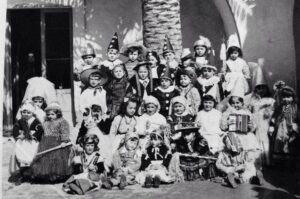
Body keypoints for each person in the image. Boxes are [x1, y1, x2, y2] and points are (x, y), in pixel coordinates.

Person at [30, 102, 72, 183]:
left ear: (58, 114)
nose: (50, 116)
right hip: (46, 142)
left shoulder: (62, 121)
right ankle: (47, 175)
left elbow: (65, 131)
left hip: (57, 142)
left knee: (57, 159)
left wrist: (64, 140)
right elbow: (42, 131)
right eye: (48, 114)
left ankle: (57, 175)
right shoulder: (46, 122)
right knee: (45, 159)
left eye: (52, 114)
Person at [245, 65, 274, 167]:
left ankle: (267, 161)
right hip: (255, 123)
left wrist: (272, 125)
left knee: (265, 141)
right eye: (258, 88)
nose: (261, 90)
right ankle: (258, 162)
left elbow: (272, 113)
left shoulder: (270, 100)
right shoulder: (252, 100)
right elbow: (249, 110)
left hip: (265, 123)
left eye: (263, 88)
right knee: (256, 141)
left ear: (266, 89)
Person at [12, 101, 44, 185]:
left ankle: (33, 175)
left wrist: (35, 136)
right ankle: (23, 175)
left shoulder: (36, 121)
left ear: (32, 113)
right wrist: (18, 135)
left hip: (32, 142)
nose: (26, 114)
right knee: (23, 158)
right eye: (24, 112)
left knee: (32, 157)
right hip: (23, 143)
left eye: (28, 112)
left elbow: (40, 130)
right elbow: (15, 129)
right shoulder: (20, 121)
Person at [269, 82, 299, 162]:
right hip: (281, 127)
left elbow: (296, 117)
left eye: (288, 97)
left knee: (290, 143)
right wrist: (271, 126)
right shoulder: (280, 107)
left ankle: (290, 160)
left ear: (293, 97)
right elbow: (275, 116)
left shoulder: (295, 107)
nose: (286, 99)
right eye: (284, 97)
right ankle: (280, 160)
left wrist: (296, 126)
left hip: (292, 127)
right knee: (279, 142)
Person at [76, 104, 113, 169]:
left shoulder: (103, 119)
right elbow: (82, 131)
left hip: (101, 139)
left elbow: (106, 131)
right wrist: (78, 142)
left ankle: (101, 167)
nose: (96, 113)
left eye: (98, 112)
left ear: (101, 113)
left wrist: (100, 121)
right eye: (94, 111)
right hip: (89, 138)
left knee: (102, 153)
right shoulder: (86, 120)